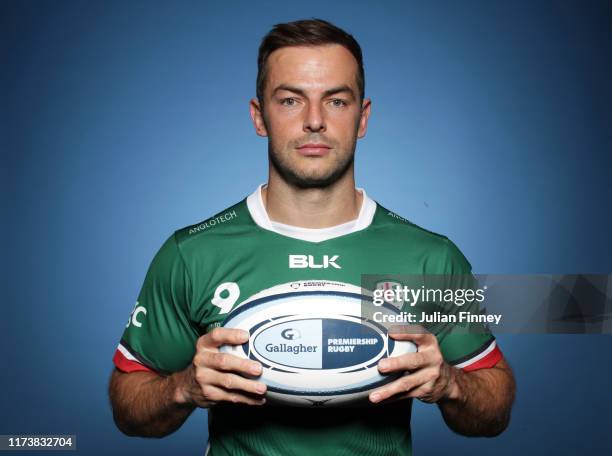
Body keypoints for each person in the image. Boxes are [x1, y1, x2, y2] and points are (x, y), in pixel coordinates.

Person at [108, 18, 515, 456]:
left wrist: (451, 385)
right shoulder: (192, 254)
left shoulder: (428, 258)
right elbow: (128, 409)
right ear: (259, 116)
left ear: (363, 117)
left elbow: (495, 408)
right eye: (290, 100)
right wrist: (183, 388)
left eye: (337, 101)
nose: (315, 121)